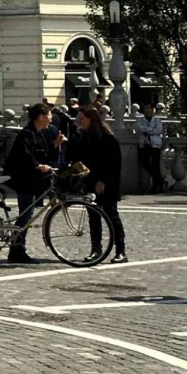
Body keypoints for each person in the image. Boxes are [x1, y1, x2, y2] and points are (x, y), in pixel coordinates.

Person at [4, 102, 56, 263]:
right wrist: (38, 166)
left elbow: (43, 153)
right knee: (25, 214)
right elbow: (25, 155)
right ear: (40, 117)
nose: (51, 119)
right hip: (24, 178)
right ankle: (17, 249)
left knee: (27, 213)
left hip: (32, 179)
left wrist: (56, 146)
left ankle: (17, 247)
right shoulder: (27, 133)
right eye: (49, 116)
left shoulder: (38, 132)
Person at [74, 104, 127, 263]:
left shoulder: (107, 138)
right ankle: (96, 249)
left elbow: (114, 163)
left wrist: (103, 180)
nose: (80, 122)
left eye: (82, 119)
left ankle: (120, 251)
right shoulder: (84, 136)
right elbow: (80, 158)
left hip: (108, 183)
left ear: (91, 119)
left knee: (112, 215)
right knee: (93, 216)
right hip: (90, 182)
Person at [135, 103, 166, 193]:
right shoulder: (140, 119)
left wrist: (147, 129)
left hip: (155, 144)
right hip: (144, 144)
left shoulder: (157, 120)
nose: (147, 110)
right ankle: (160, 181)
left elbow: (159, 130)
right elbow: (138, 128)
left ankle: (156, 186)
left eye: (149, 108)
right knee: (144, 162)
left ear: (153, 109)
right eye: (145, 108)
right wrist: (151, 130)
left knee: (155, 165)